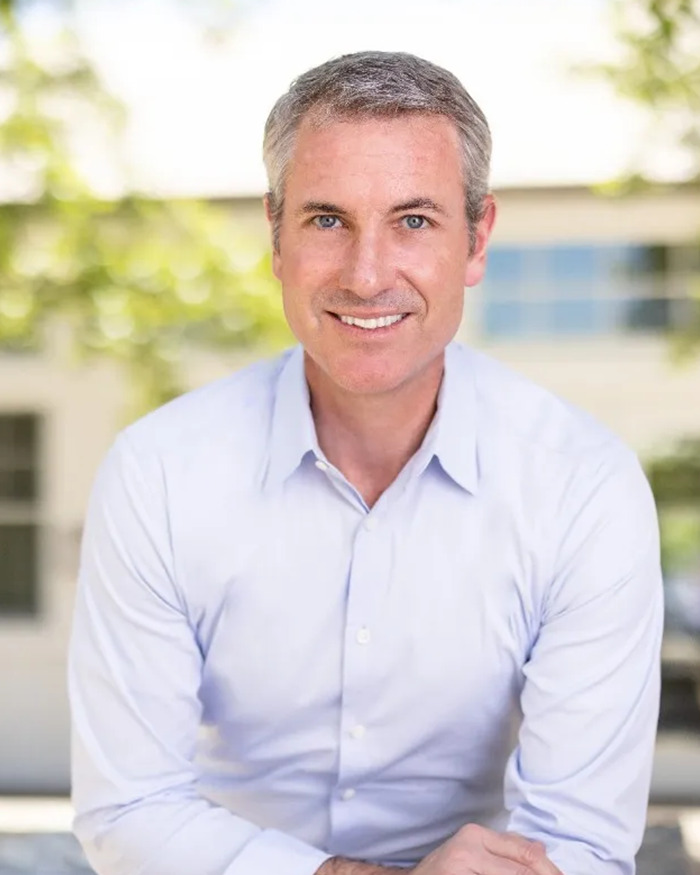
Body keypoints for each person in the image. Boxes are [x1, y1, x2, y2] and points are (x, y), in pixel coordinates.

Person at [68, 51, 664, 875]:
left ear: (477, 239)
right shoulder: (158, 474)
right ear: (276, 234)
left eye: (414, 221)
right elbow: (128, 808)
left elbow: (581, 844)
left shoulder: (583, 488)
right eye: (327, 220)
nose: (367, 274)